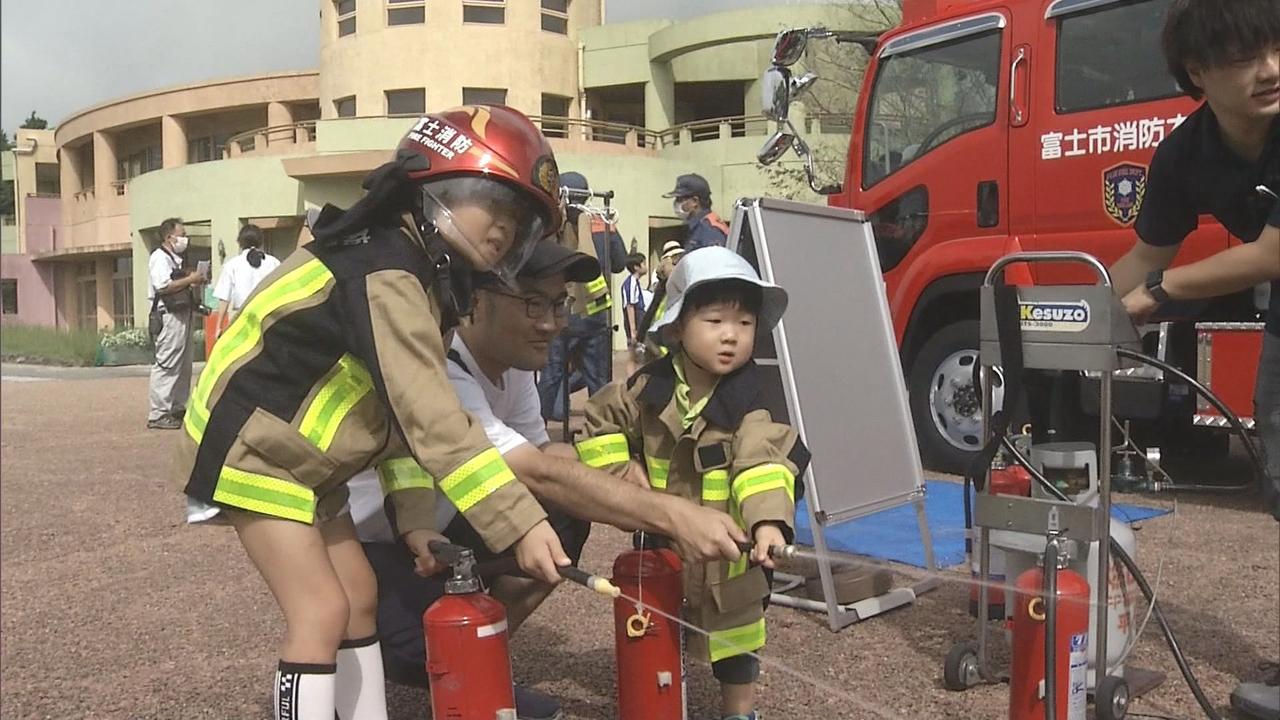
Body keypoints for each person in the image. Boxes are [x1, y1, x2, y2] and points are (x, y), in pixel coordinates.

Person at [174, 105, 576, 720]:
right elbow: (431, 417)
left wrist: (415, 519)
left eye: (519, 222)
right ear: (435, 187)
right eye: (495, 204)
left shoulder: (421, 278)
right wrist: (518, 522)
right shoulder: (387, 271)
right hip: (252, 448)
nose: (504, 229)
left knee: (359, 594)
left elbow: (397, 425)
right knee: (320, 611)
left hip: (306, 456)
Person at [347, 240, 748, 719]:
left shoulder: (513, 367)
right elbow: (536, 472)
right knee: (416, 649)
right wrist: (674, 513)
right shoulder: (440, 371)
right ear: (474, 301)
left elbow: (546, 454)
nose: (553, 323)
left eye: (560, 304)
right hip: (376, 545)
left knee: (564, 515)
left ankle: (479, 662)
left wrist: (624, 478)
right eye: (534, 303)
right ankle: (380, 662)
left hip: (444, 533)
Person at [1105, 2, 1278, 716]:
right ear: (1197, 73)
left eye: (1276, 47)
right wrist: (1063, 317)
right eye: (1244, 56)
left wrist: (1160, 293)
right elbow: (1144, 256)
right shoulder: (1183, 153)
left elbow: (1272, 252)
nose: (1269, 68)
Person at [577, 246, 809, 720]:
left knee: (737, 636)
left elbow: (762, 460)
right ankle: (660, 699)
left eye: (745, 325)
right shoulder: (647, 388)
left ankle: (738, 713)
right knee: (658, 625)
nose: (731, 337)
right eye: (715, 322)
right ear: (679, 327)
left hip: (731, 552)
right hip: (664, 542)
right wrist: (625, 478)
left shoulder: (754, 399)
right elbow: (599, 422)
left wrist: (768, 524)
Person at [537, 171, 627, 423]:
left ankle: (538, 430)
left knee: (552, 372)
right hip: (597, 313)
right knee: (598, 378)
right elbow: (619, 263)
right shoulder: (603, 222)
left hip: (563, 311)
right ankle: (602, 429)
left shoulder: (554, 224)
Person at [146, 217, 205, 430]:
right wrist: (190, 279)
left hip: (183, 314)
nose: (185, 239)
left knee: (183, 364)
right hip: (168, 315)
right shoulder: (159, 258)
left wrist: (194, 279)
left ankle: (178, 406)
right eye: (182, 235)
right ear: (169, 237)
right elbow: (163, 286)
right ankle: (158, 412)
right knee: (168, 363)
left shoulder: (176, 259)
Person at [210, 223, 281, 339]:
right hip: (268, 317)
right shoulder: (274, 262)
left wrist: (219, 326)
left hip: (242, 318)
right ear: (260, 241)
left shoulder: (232, 265)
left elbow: (224, 298)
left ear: (240, 242)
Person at [664, 173, 730, 251]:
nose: (676, 203)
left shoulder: (709, 229)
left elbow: (714, 261)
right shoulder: (698, 226)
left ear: (695, 201)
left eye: (680, 199)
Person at [620, 252, 649, 346]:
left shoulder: (635, 282)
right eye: (644, 264)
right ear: (636, 267)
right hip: (636, 319)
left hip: (640, 318)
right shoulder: (631, 283)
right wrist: (633, 331)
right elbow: (630, 306)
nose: (646, 266)